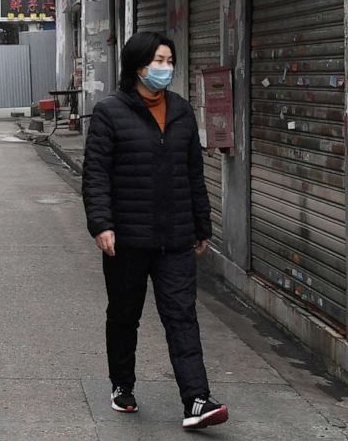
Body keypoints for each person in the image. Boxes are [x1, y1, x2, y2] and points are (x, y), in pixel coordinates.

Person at [81, 31, 228, 430]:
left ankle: (197, 399)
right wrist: (102, 224)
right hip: (126, 238)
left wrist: (202, 224)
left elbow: (193, 173)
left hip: (175, 236)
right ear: (138, 66)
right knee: (125, 314)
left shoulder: (181, 111)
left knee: (181, 315)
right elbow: (96, 174)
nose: (165, 68)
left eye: (169, 61)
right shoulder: (110, 112)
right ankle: (122, 384)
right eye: (158, 62)